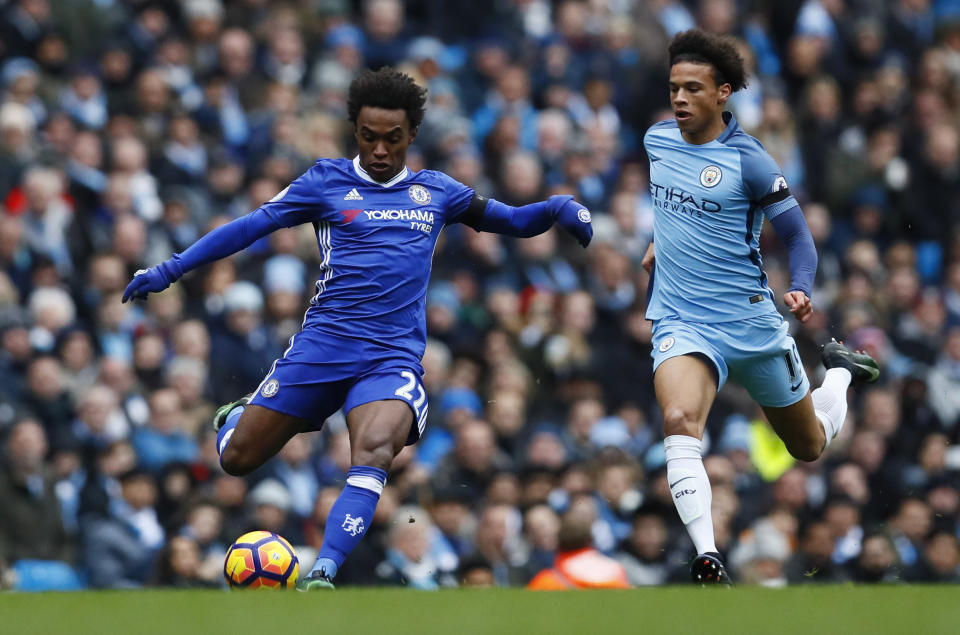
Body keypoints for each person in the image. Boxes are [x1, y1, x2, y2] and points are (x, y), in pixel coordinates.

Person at [121, 67, 593, 590]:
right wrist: (169, 269)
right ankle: (241, 416)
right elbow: (248, 227)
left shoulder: (437, 192)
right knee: (236, 459)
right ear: (355, 130)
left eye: (393, 139)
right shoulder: (325, 182)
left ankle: (323, 570)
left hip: (390, 359)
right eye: (369, 137)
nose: (380, 150)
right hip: (323, 346)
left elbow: (515, 220)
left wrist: (558, 206)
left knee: (371, 453)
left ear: (412, 134)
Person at [641, 30, 880, 585]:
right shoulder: (657, 141)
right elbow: (670, 206)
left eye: (692, 88)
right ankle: (708, 556)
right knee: (678, 420)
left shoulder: (750, 161)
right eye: (674, 87)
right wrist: (659, 241)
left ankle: (839, 375)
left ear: (723, 92)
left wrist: (800, 285)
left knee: (809, 447)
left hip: (750, 323)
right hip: (682, 319)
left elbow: (799, 236)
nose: (679, 98)